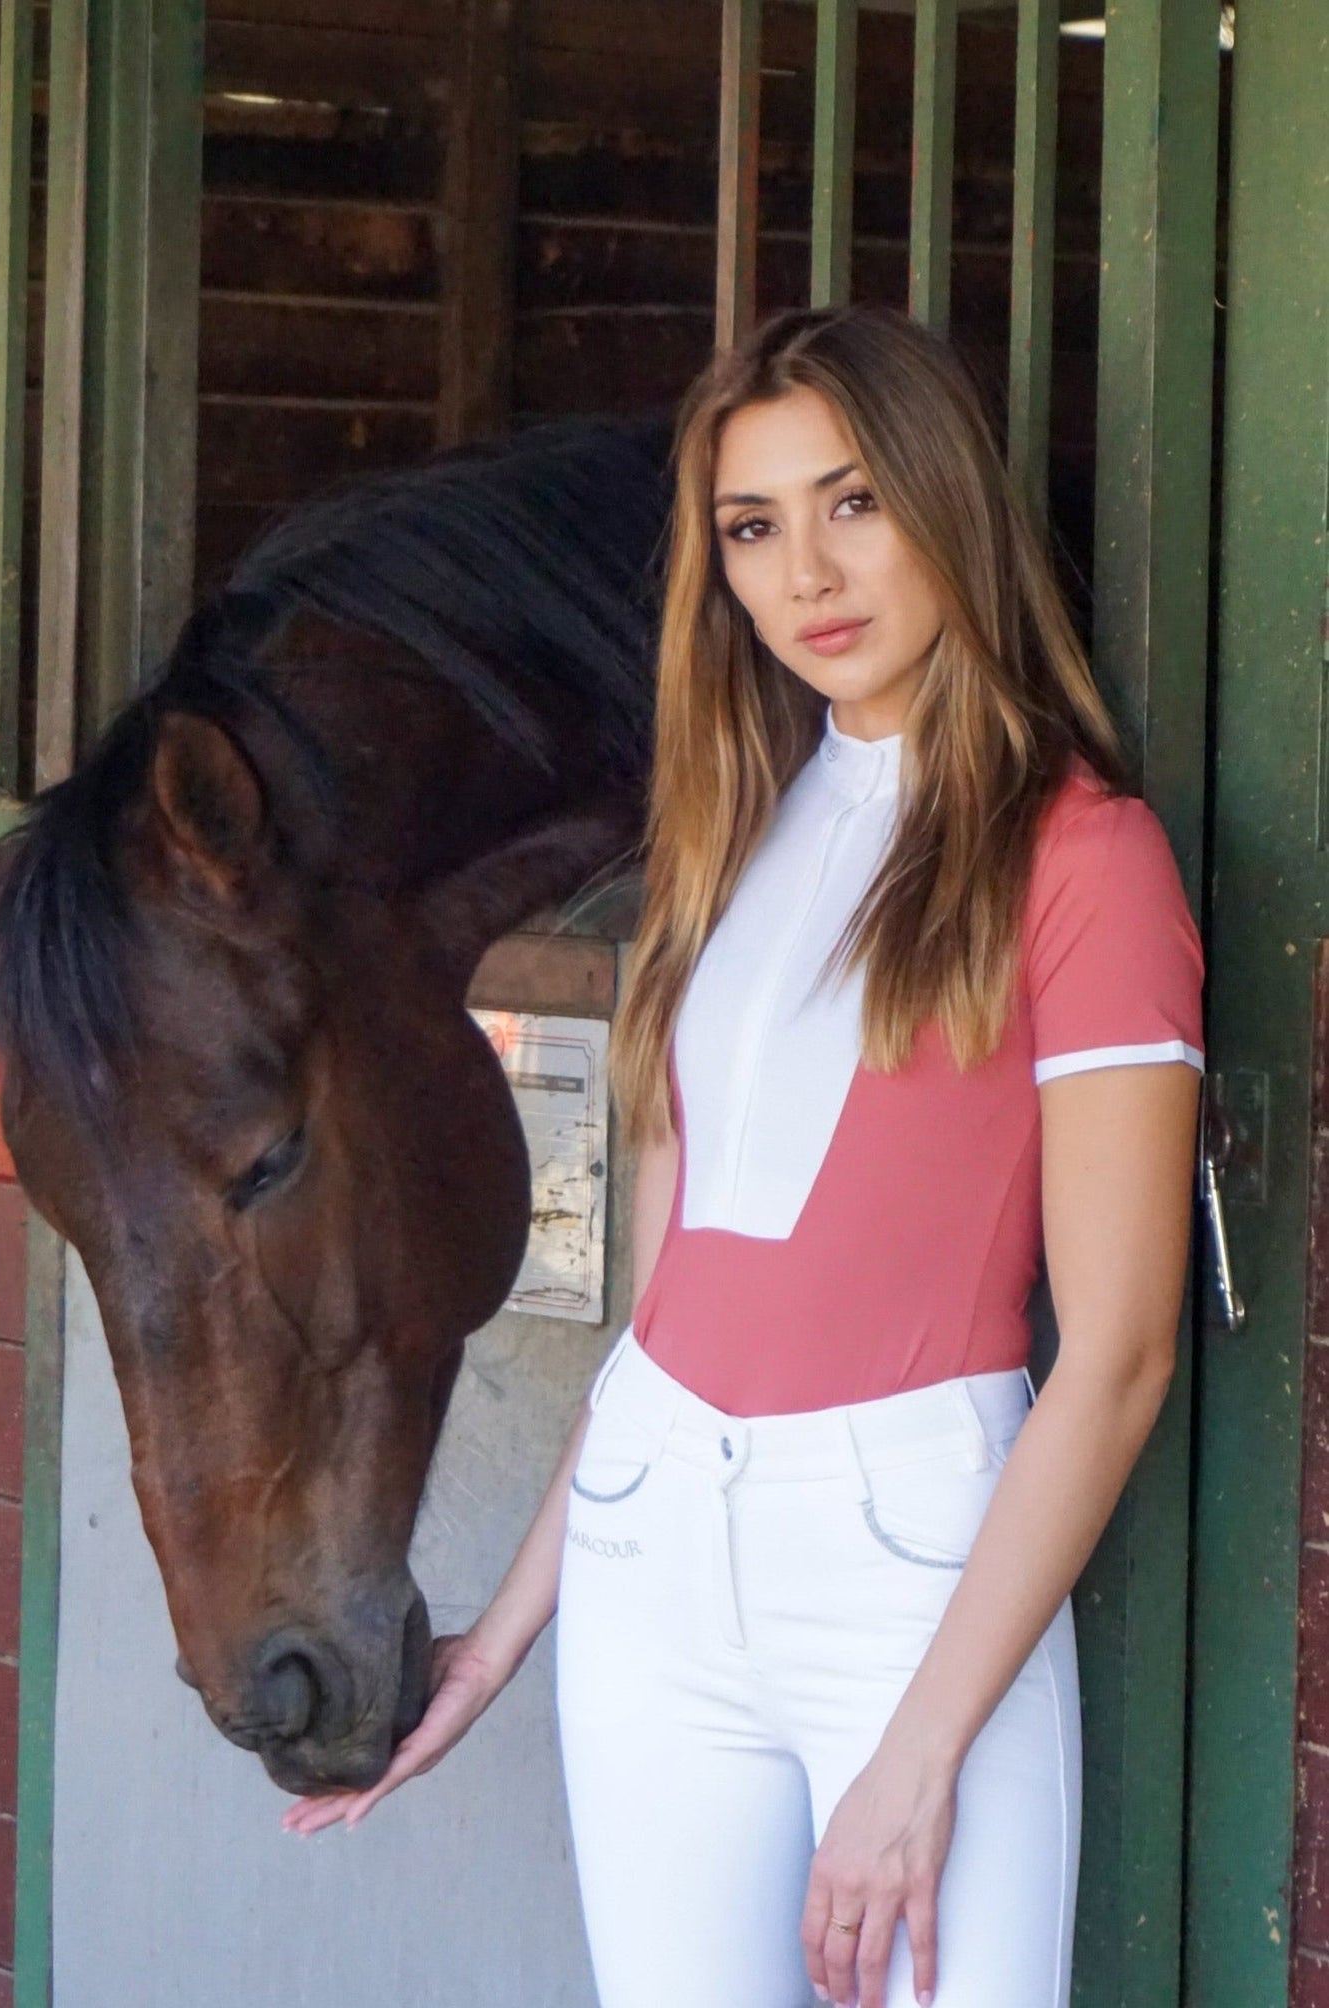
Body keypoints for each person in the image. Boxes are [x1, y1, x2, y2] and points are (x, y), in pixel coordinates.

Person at [280, 304, 1205, 2008]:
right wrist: (495, 1645)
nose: (808, 575)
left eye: (853, 503)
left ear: (949, 505)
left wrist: (920, 1755)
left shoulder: (1085, 856)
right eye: (752, 526)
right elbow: (661, 1321)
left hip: (913, 1578)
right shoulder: (718, 841)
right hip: (649, 1561)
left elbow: (1123, 1357)